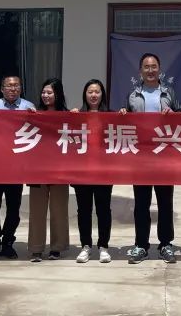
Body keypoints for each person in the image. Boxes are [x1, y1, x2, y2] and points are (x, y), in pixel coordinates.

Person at [121, 52, 181, 264]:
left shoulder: (169, 92)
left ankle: (165, 244)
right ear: (140, 71)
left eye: (154, 66)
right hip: (141, 157)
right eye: (146, 67)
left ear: (159, 69)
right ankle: (141, 245)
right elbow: (126, 122)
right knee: (141, 203)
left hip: (164, 155)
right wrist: (123, 113)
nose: (150, 70)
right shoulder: (132, 95)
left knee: (165, 202)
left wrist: (174, 114)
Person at [0, 73, 35, 261]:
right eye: (9, 86)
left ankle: (7, 243)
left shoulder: (28, 107)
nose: (13, 89)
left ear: (21, 88)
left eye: (16, 85)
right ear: (2, 89)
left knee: (14, 209)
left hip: (15, 168)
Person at [71, 78, 114, 264]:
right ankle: (86, 246)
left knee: (103, 210)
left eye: (97, 91)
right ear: (85, 95)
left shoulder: (111, 115)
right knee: (84, 210)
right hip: (82, 171)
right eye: (90, 92)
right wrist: (69, 117)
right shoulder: (78, 115)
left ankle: (103, 246)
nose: (94, 95)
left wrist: (123, 114)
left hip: (104, 171)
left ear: (102, 94)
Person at [27, 78, 70, 262]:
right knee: (37, 210)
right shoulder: (34, 114)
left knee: (59, 209)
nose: (45, 95)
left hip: (60, 170)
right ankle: (36, 248)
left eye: (49, 92)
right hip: (37, 170)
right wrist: (29, 116)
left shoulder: (67, 115)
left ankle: (56, 248)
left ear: (57, 94)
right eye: (43, 92)